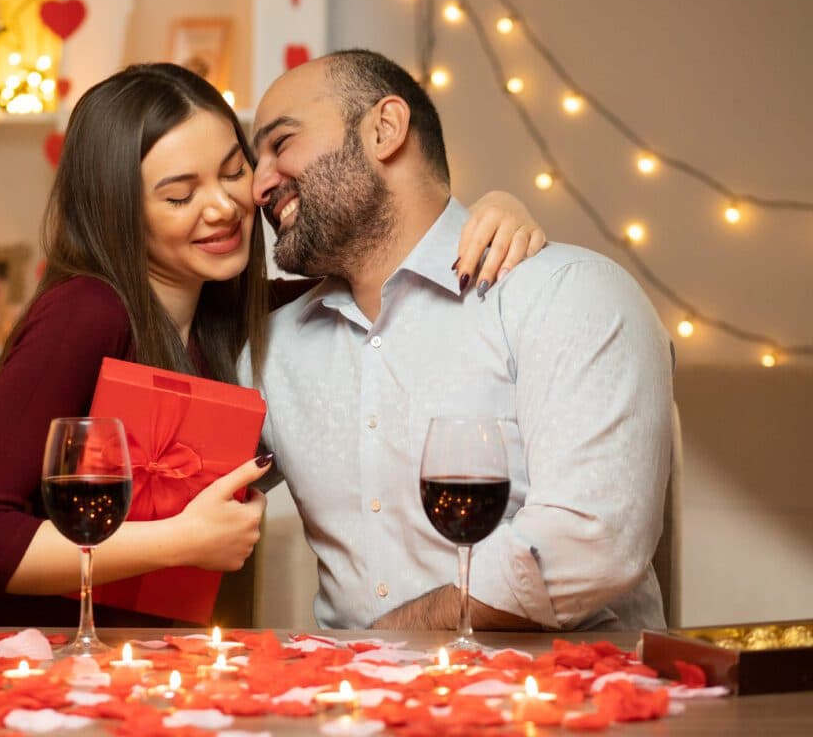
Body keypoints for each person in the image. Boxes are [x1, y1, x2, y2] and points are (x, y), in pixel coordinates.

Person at [0, 62, 546, 627]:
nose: (224, 207)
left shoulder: (253, 317)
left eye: (233, 172)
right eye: (179, 195)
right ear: (119, 210)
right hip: (20, 652)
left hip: (150, 662)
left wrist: (494, 211)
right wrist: (182, 540)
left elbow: (386, 269)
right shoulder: (85, 313)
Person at [241, 49, 673, 632]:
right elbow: (166, 493)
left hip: (561, 711)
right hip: (350, 714)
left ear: (384, 130)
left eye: (280, 143)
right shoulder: (272, 351)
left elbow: (589, 542)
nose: (257, 184)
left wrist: (387, 644)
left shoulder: (566, 295)